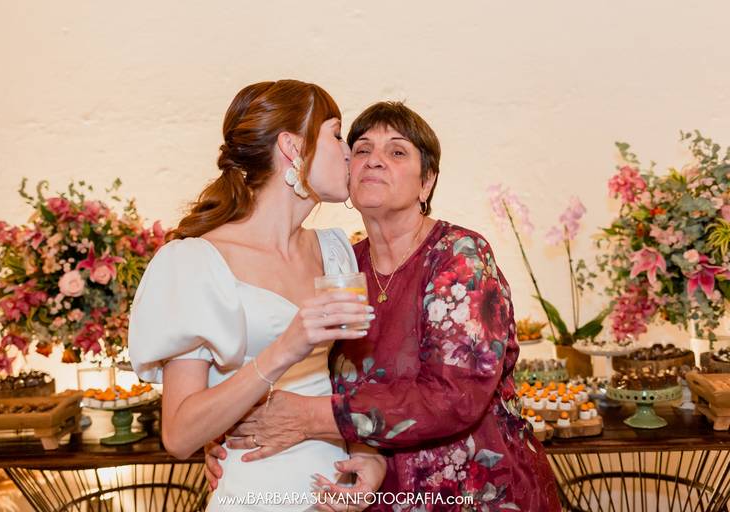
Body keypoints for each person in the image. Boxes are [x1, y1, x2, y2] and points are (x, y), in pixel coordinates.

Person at [207, 102, 562, 511]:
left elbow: (455, 396)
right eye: (361, 149)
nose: (374, 160)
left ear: (426, 182)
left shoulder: (459, 256)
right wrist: (229, 435)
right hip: (374, 493)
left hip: (476, 492)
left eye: (396, 151)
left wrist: (311, 417)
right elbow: (304, 367)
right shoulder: (341, 263)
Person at [128, 80, 387, 512]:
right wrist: (284, 348)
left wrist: (368, 454)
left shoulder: (335, 251)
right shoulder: (196, 262)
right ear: (292, 147)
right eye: (337, 134)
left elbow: (354, 378)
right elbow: (178, 435)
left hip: (335, 491)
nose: (349, 152)